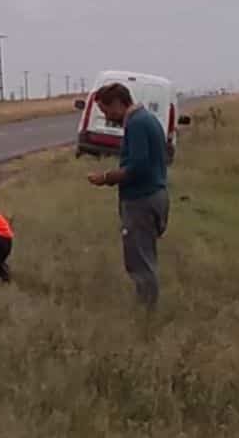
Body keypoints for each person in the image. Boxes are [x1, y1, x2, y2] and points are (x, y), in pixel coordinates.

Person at [87, 82, 169, 310]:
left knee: (140, 261)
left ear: (117, 103)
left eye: (105, 110)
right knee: (145, 256)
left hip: (142, 200)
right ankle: (147, 306)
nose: (106, 116)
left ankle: (147, 313)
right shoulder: (147, 119)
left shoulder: (137, 124)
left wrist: (106, 177)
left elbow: (138, 167)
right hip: (155, 195)